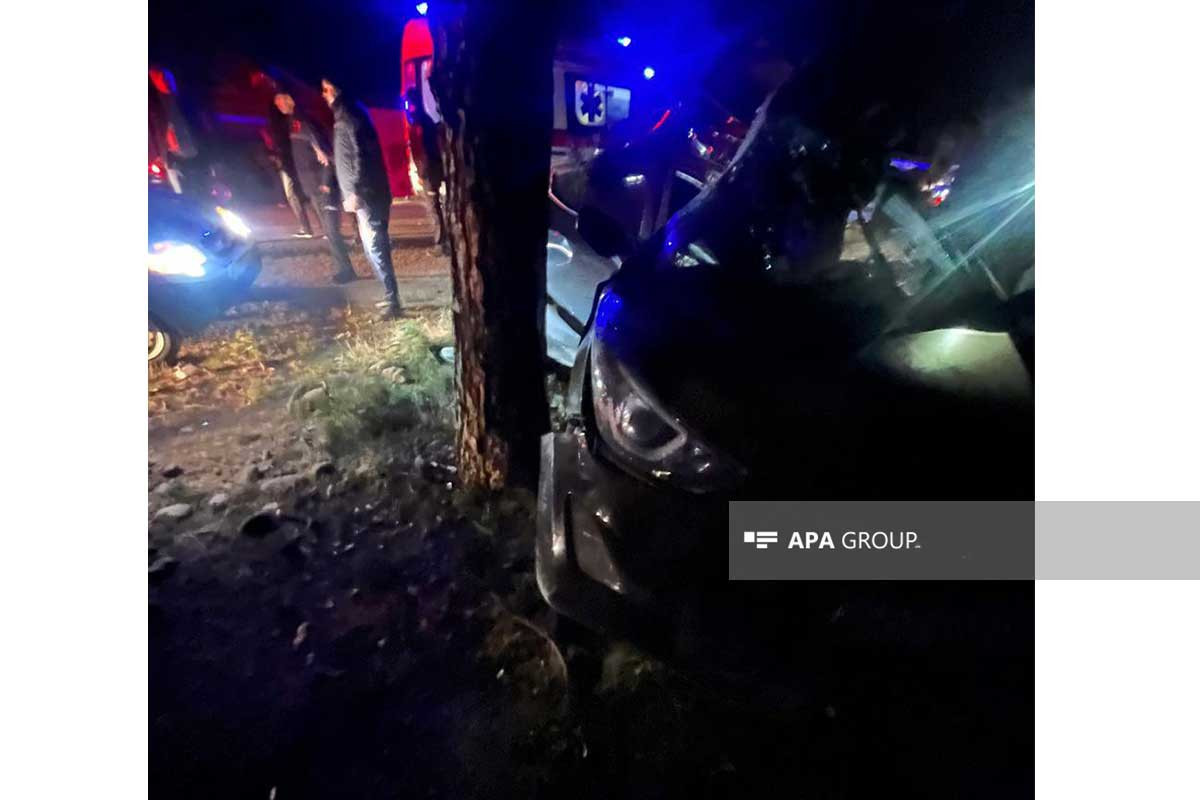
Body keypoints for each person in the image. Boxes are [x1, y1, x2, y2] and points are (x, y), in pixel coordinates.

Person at [321, 77, 404, 318]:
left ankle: (393, 301)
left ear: (337, 90)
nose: (322, 94)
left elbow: (362, 157)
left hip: (368, 195)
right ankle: (391, 297)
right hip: (366, 194)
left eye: (326, 89)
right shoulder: (345, 116)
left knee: (376, 248)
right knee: (374, 248)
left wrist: (356, 189)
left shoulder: (349, 117)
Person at [271, 92, 357, 282]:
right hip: (311, 185)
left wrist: (325, 183)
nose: (278, 104)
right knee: (329, 231)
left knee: (332, 231)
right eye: (276, 101)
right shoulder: (294, 123)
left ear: (291, 100)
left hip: (320, 186)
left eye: (281, 99)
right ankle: (344, 268)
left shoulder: (303, 122)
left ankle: (346, 271)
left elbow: (324, 153)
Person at [404, 87, 447, 251]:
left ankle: (441, 243)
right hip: (433, 168)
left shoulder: (418, 125)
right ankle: (443, 240)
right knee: (435, 206)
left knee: (434, 207)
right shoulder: (426, 120)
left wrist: (422, 174)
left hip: (429, 171)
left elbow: (422, 152)